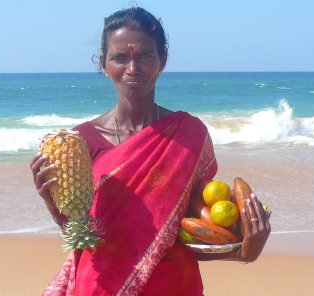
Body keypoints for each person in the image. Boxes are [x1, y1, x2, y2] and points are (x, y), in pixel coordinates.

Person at [30, 7, 271, 296]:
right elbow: (84, 238)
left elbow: (192, 234)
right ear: (104, 64)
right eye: (120, 57)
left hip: (173, 286)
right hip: (101, 287)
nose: (133, 68)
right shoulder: (80, 143)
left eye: (145, 56)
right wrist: (53, 204)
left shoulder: (188, 135)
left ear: (162, 61)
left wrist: (244, 250)